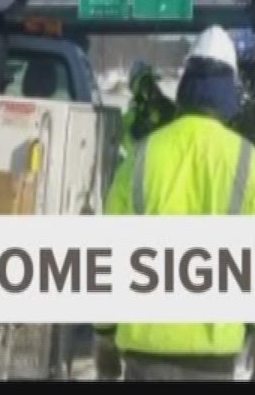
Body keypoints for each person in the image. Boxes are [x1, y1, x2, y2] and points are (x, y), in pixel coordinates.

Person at [113, 27, 255, 381]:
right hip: (212, 356)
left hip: (145, 351)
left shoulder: (144, 153)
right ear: (229, 91)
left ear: (186, 85)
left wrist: (102, 334)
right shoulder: (246, 161)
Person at [93, 62, 180, 380]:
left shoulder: (162, 110)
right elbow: (131, 142)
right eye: (143, 84)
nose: (147, 88)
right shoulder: (139, 115)